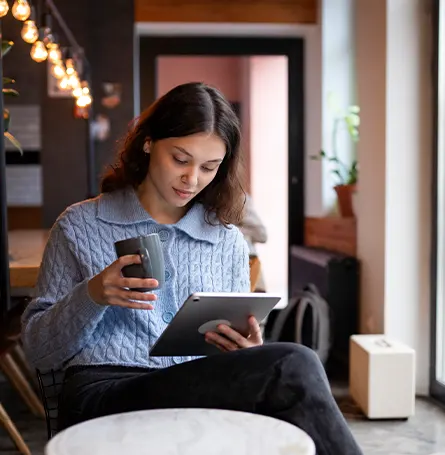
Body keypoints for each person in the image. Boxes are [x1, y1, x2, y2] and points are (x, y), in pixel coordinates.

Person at [21, 82, 362, 455]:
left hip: (194, 389)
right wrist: (92, 295)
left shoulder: (226, 240)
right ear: (148, 143)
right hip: (104, 392)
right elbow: (39, 351)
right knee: (296, 363)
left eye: (209, 167)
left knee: (289, 372)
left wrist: (245, 352)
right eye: (181, 160)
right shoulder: (80, 225)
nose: (192, 179)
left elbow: (227, 348)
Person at [238, 193, 267, 291]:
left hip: (248, 259)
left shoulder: (240, 199)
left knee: (258, 302)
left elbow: (262, 235)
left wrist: (232, 229)